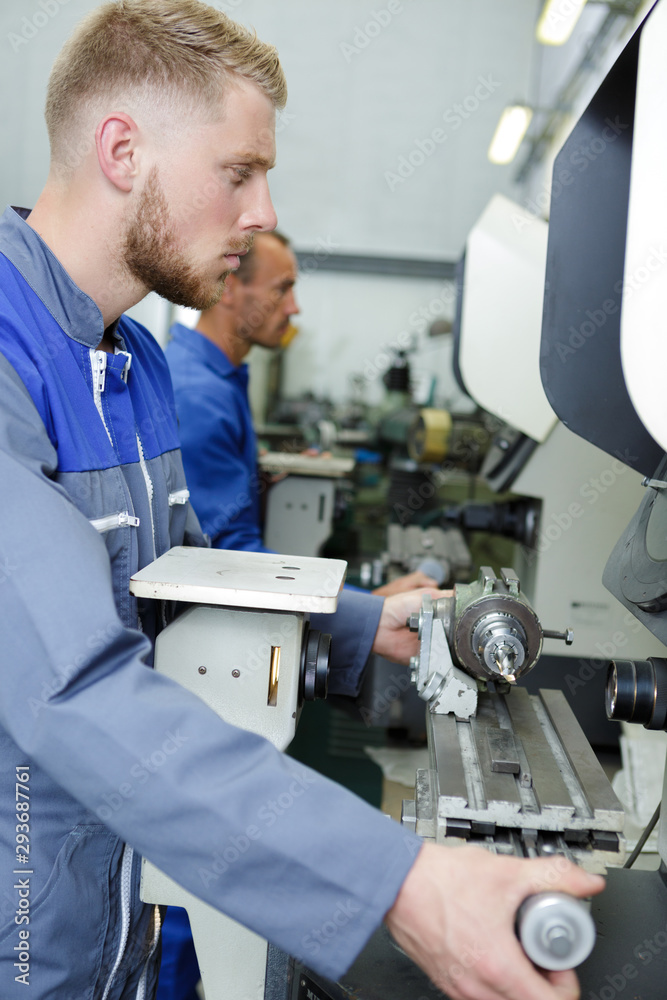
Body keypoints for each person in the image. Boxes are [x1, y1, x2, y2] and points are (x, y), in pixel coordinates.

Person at [0, 5, 603, 1000]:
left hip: (120, 922)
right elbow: (68, 686)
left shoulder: (135, 361)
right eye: (238, 171)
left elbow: (186, 582)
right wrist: (398, 885)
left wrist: (370, 623)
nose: (262, 211)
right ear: (122, 150)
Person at [166, 229, 436, 595]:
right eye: (281, 288)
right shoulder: (201, 396)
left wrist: (261, 478)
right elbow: (227, 561)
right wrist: (370, 605)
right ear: (228, 287)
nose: (294, 307)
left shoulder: (217, 378)